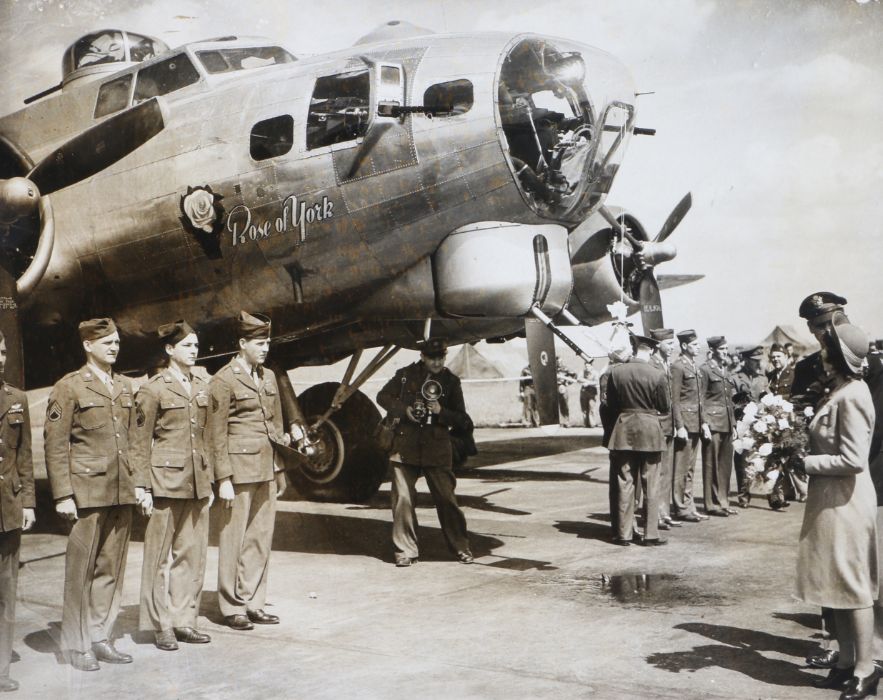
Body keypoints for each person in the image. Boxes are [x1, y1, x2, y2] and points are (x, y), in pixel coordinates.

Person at [44, 318, 144, 671]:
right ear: (88, 345)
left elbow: (135, 442)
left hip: (121, 492)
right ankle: (77, 644)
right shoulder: (69, 387)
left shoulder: (127, 386)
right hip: (87, 493)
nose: (115, 347)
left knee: (110, 570)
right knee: (81, 572)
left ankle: (101, 637)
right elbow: (56, 446)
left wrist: (141, 484)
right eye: (107, 342)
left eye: (117, 341)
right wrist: (62, 495)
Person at [795, 323, 880, 698]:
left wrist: (806, 462)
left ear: (842, 357)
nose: (822, 359)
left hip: (846, 500)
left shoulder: (855, 394)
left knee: (853, 585)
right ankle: (846, 661)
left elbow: (854, 459)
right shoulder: (840, 391)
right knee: (834, 585)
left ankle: (867, 667)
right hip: (830, 500)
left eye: (827, 352)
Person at [132, 321, 213, 650]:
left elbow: (206, 435)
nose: (194, 351)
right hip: (164, 482)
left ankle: (183, 620)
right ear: (169, 350)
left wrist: (210, 481)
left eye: (196, 345)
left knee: (191, 555)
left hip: (196, 482)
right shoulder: (153, 389)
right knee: (159, 558)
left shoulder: (202, 385)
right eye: (187, 346)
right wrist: (142, 487)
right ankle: (160, 624)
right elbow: (138, 442)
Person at [208, 311, 289, 630]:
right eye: (259, 342)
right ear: (242, 344)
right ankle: (231, 607)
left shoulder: (268, 377)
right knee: (233, 539)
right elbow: (215, 433)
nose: (265, 348)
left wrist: (279, 466)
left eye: (267, 342)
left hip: (266, 466)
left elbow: (277, 424)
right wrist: (223, 478)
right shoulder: (223, 380)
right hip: (238, 471)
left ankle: (254, 601)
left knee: (260, 537)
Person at [377, 339, 473, 567]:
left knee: (447, 499)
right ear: (422, 356)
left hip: (437, 447)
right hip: (405, 446)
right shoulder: (404, 375)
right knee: (402, 499)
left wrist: (442, 412)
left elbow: (464, 421)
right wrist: (404, 410)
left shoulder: (451, 382)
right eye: (432, 357)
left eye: (441, 357)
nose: (437, 362)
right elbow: (383, 396)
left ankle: (461, 546)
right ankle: (405, 550)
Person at [604, 334, 670, 547]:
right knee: (651, 483)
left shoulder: (616, 372)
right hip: (650, 431)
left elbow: (612, 404)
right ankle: (650, 534)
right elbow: (664, 406)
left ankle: (623, 534)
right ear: (650, 350)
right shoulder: (657, 374)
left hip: (624, 430)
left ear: (633, 349)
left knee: (625, 482)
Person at [0, 331, 35, 692]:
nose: (0, 359)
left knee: (6, 592)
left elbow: (24, 455)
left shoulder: (17, 399)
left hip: (8, 509)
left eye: (3, 351)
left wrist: (28, 502)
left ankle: (1, 668)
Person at [670, 330, 709, 523]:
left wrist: (703, 423)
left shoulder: (693, 366)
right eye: (694, 345)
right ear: (684, 346)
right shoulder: (678, 366)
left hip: (695, 424)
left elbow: (700, 400)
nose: (698, 347)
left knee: (691, 468)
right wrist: (679, 426)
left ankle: (689, 505)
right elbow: (674, 399)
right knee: (681, 469)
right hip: (685, 424)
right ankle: (680, 507)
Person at [699, 336, 738, 517]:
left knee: (724, 466)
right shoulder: (705, 370)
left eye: (726, 349)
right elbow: (701, 400)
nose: (725, 353)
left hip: (727, 423)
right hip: (713, 423)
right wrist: (704, 422)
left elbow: (728, 400)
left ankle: (723, 501)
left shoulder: (725, 370)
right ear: (713, 350)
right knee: (711, 464)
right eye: (722, 350)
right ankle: (711, 504)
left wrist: (734, 424)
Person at [649, 329, 680, 532]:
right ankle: (655, 515)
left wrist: (677, 424)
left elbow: (674, 398)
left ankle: (664, 512)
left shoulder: (666, 364)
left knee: (666, 472)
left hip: (668, 425)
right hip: (657, 424)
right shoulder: (651, 365)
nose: (672, 347)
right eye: (668, 343)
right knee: (656, 472)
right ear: (658, 344)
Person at [731, 346, 769, 508]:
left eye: (759, 361)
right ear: (746, 361)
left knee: (767, 457)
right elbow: (732, 401)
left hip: (761, 424)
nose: (757, 364)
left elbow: (767, 399)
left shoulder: (763, 379)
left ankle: (773, 494)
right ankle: (743, 495)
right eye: (754, 361)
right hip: (744, 425)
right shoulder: (736, 378)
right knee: (742, 461)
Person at [578, 360, 600, 428]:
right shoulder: (582, 372)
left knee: (591, 408)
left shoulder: (595, 373)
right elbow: (578, 379)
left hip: (592, 393)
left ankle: (592, 424)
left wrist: (588, 383)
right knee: (584, 409)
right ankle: (586, 424)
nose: (587, 367)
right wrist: (586, 381)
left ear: (591, 366)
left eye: (588, 366)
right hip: (583, 392)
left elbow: (597, 382)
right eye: (586, 366)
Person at [556, 359, 577, 427]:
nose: (558, 363)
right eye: (557, 361)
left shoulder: (565, 368)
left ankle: (567, 421)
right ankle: (560, 421)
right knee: (557, 405)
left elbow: (574, 375)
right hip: (554, 388)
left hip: (563, 387)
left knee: (564, 405)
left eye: (559, 361)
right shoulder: (552, 369)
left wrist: (568, 383)